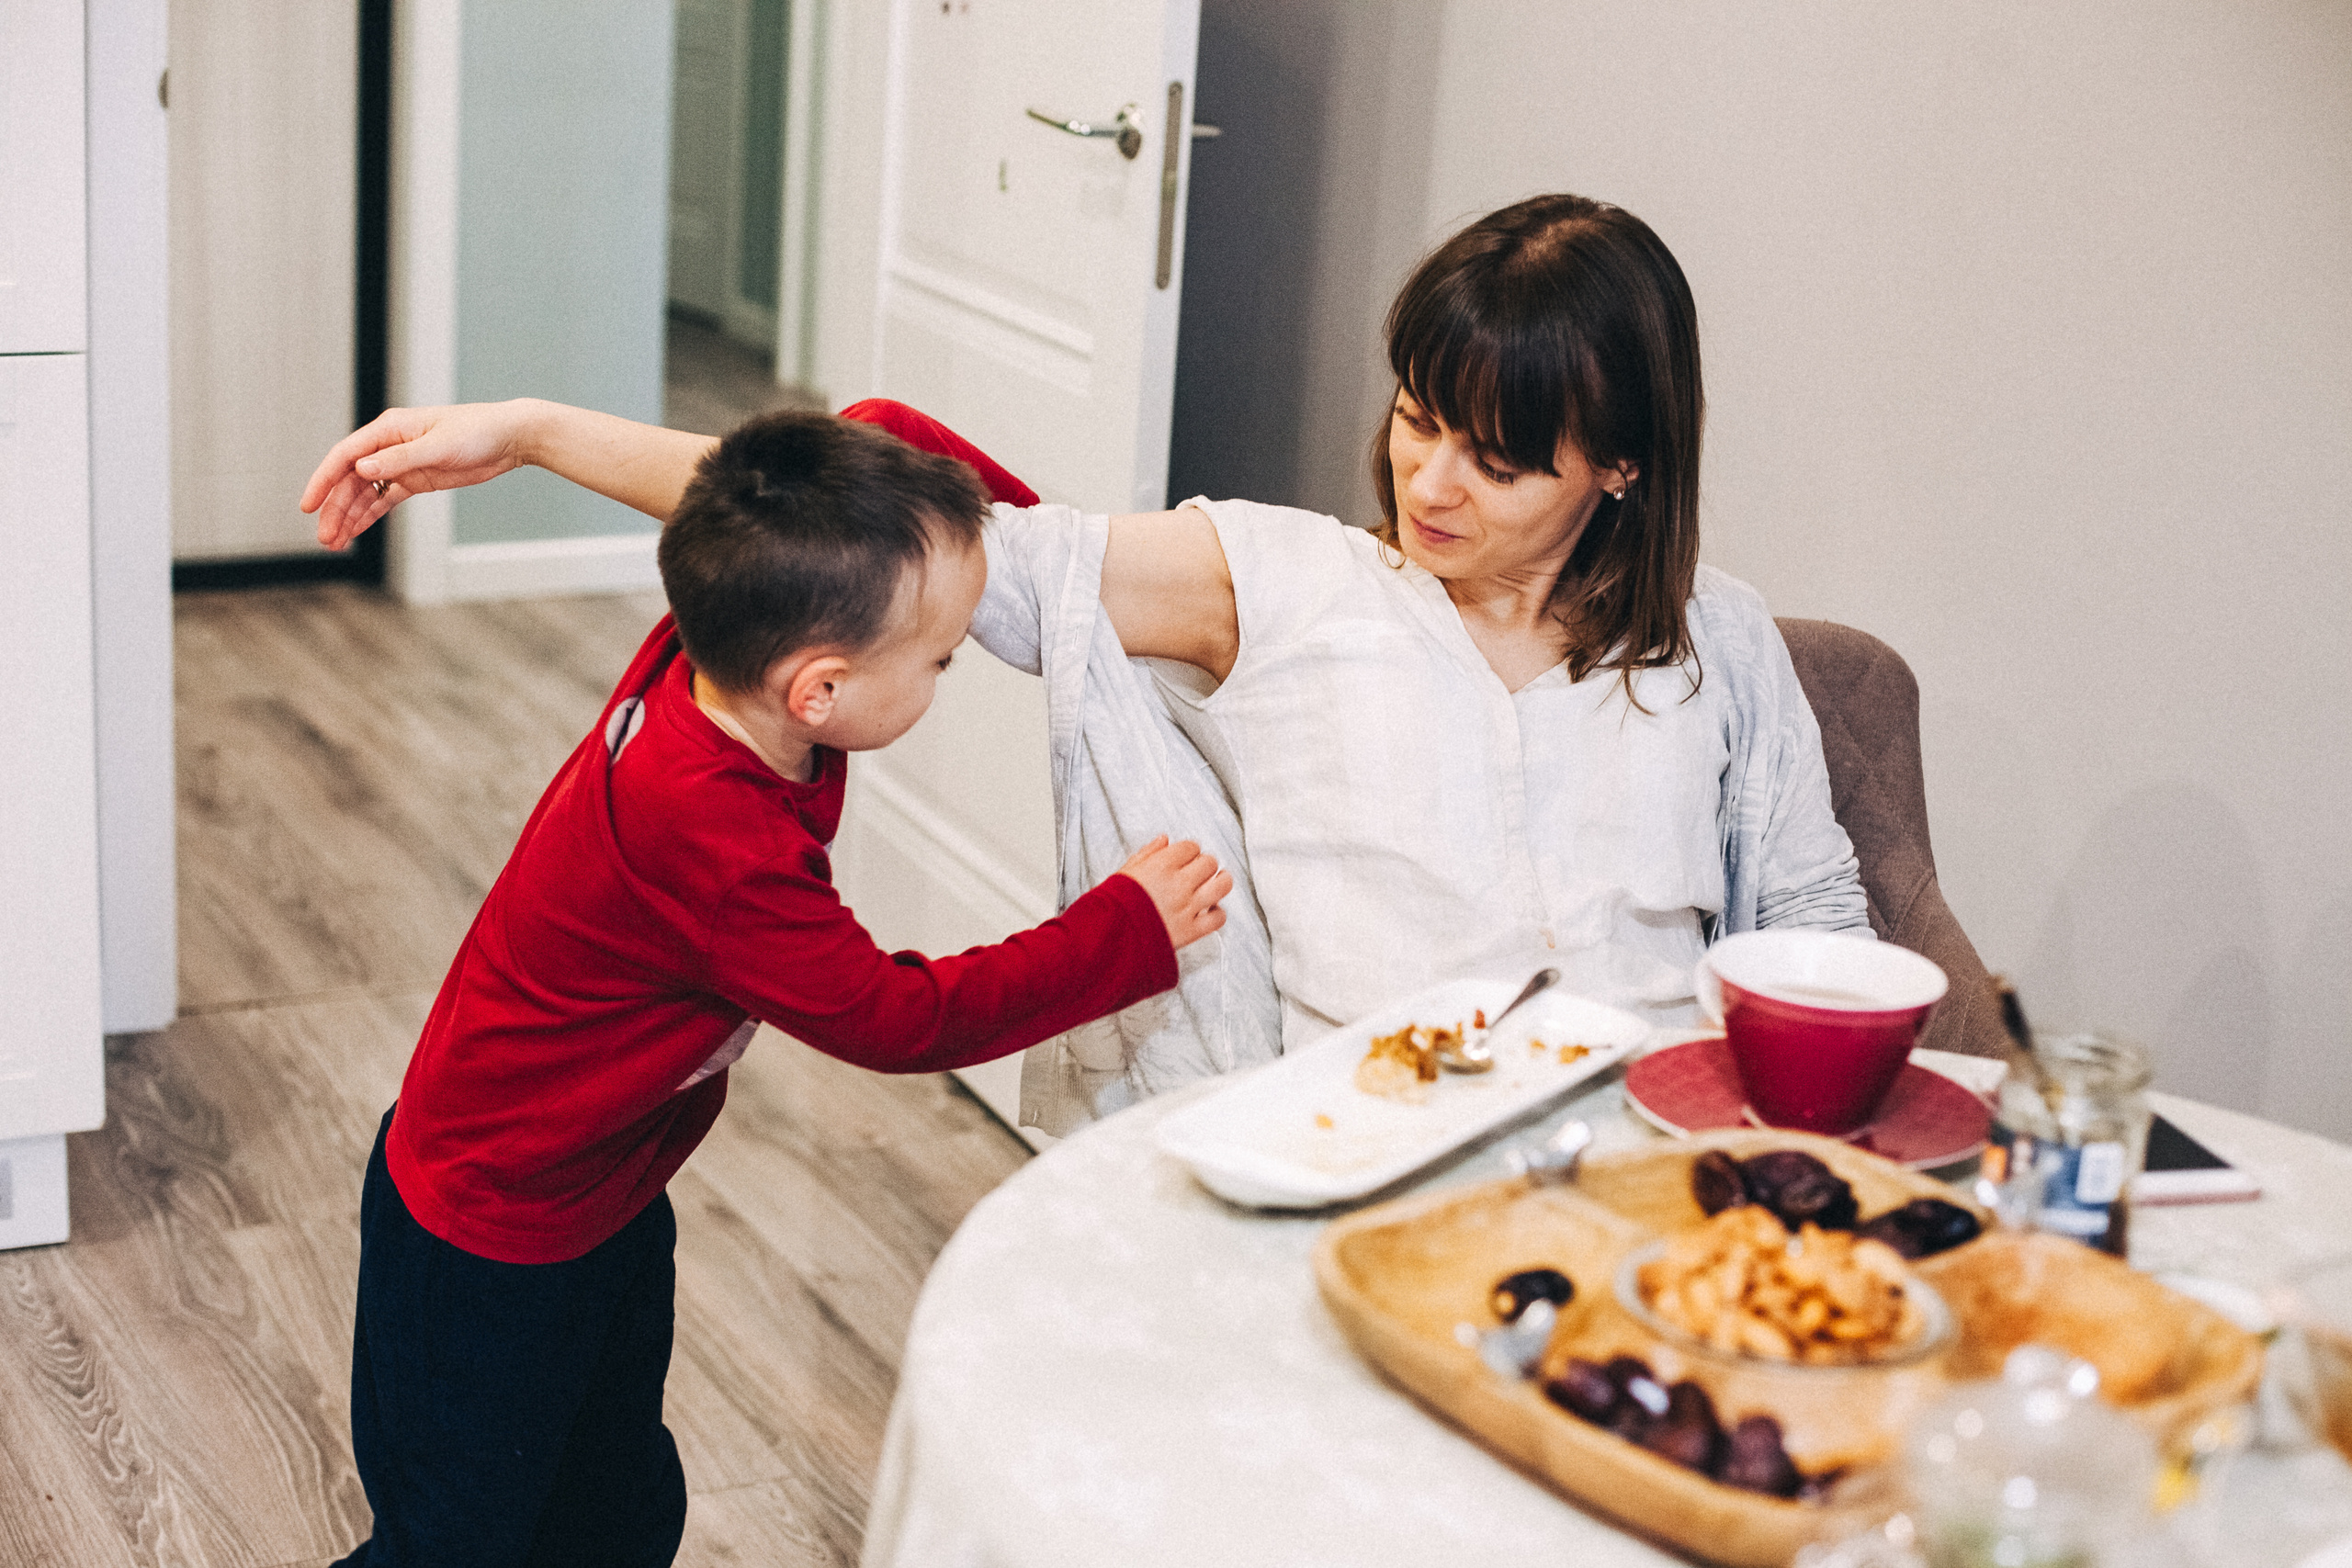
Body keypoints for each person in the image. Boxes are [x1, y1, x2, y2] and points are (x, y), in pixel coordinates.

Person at [303, 192, 1864, 1138]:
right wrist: (530, 434)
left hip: (1668, 1158)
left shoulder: (1720, 642)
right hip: (1369, 1152)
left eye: (1500, 457)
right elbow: (868, 527)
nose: (1432, 483)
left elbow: (1818, 934)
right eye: (1416, 418)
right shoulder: (1285, 582)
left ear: (1626, 471)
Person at [309, 409, 1232, 1567]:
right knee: (458, 1543)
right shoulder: (717, 844)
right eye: (941, 657)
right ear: (821, 692)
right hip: (489, 1243)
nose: (953, 666)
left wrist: (1068, 556)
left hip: (601, 1193)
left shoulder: (715, 643)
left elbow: (873, 429)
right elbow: (903, 1017)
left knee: (619, 1505)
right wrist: (1122, 930)